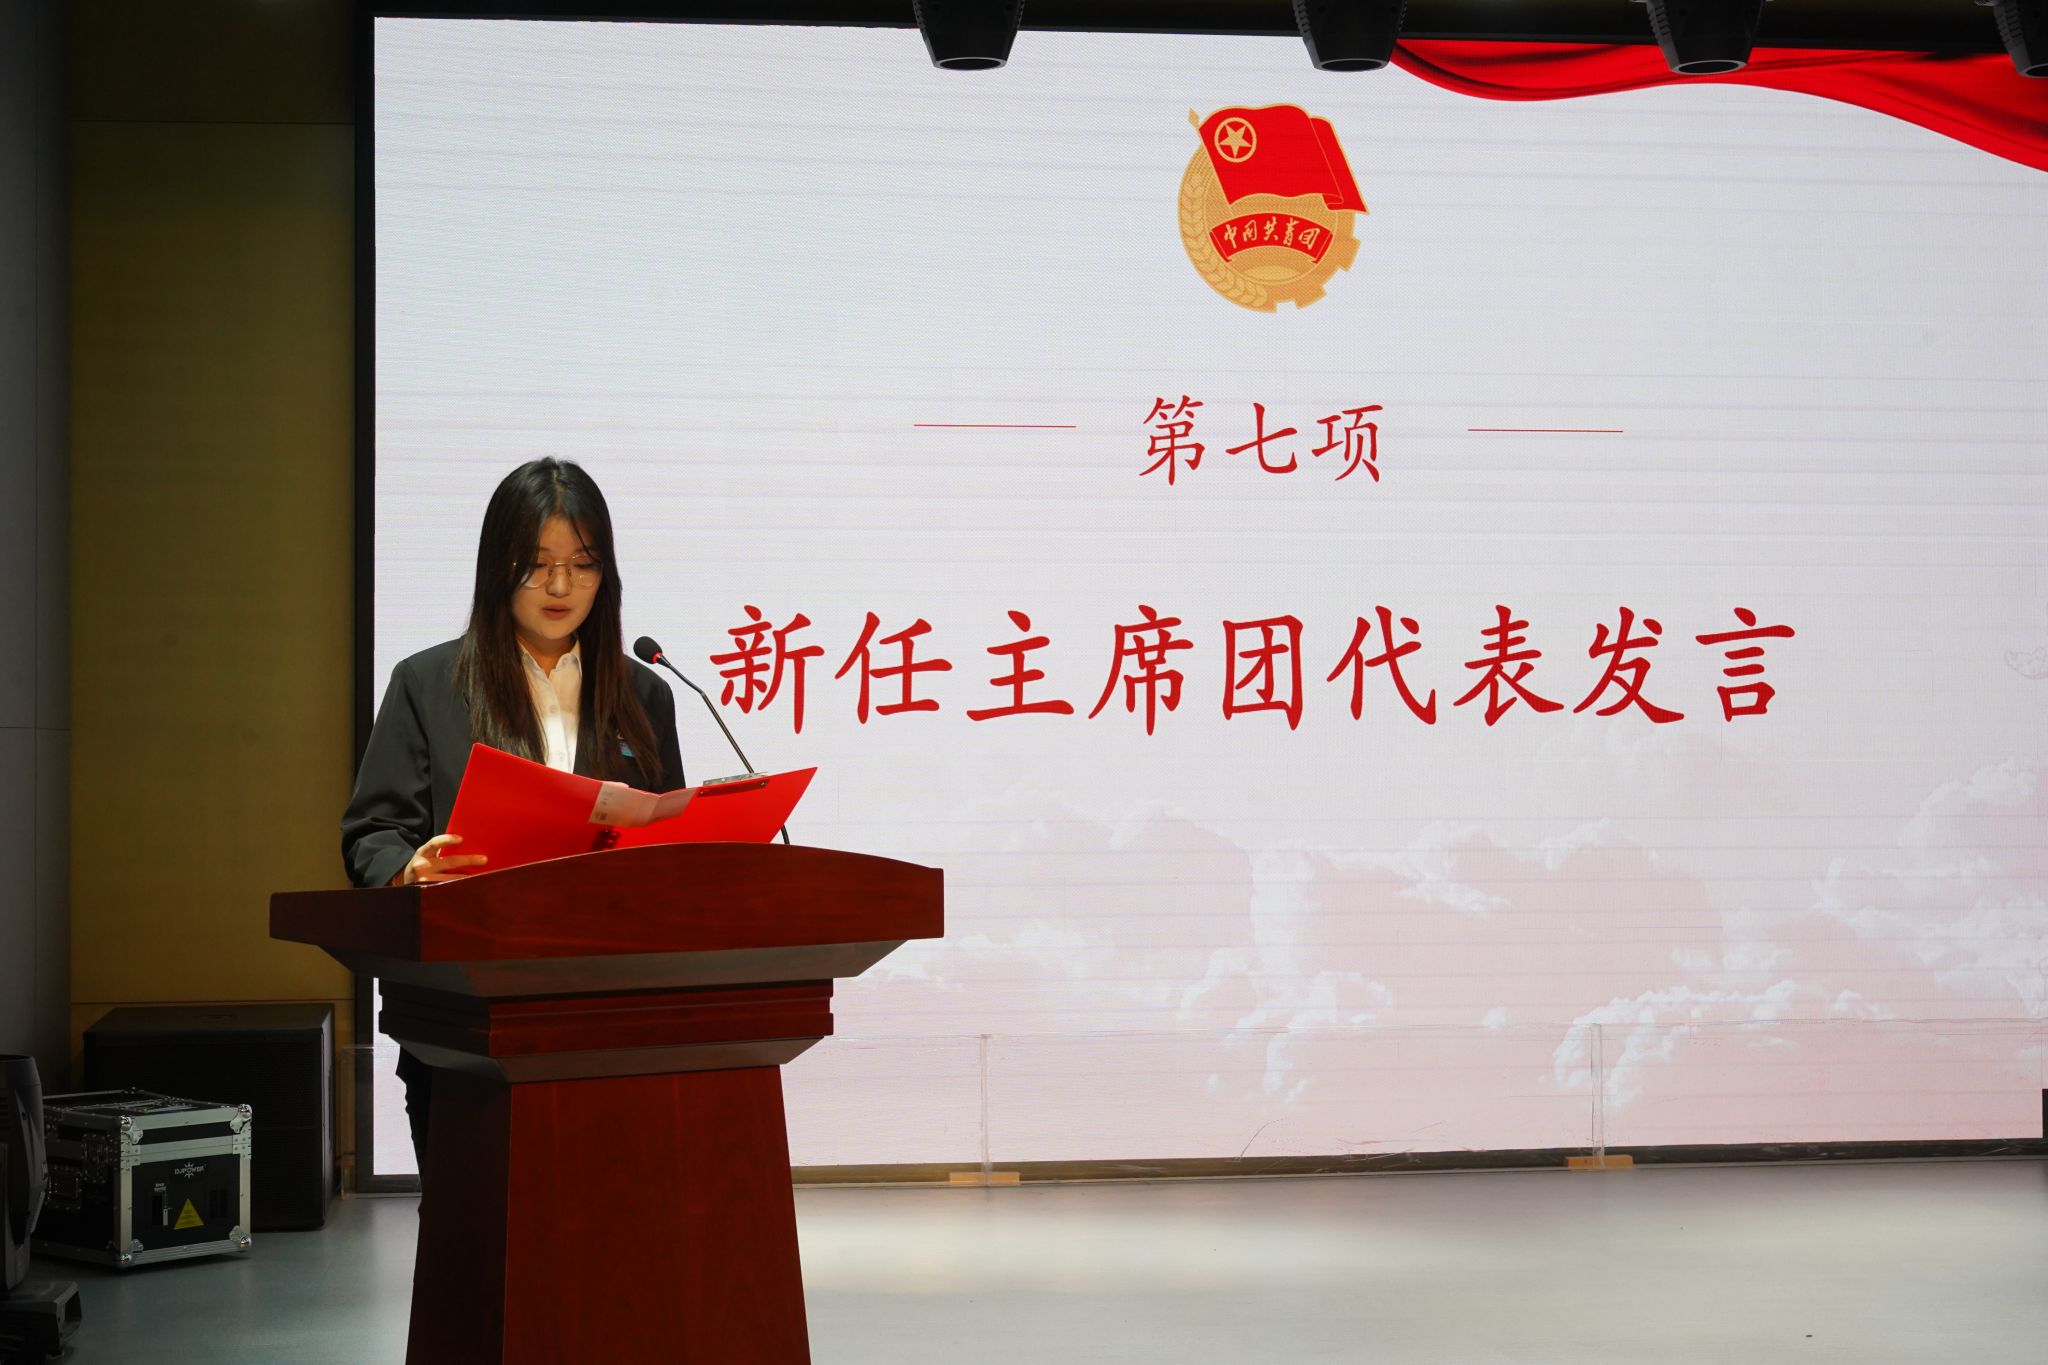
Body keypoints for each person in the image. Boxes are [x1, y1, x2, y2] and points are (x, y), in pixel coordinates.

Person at [341, 458, 685, 1179]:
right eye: (537, 564)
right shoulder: (428, 683)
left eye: (582, 565)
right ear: (498, 565)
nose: (560, 587)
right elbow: (373, 832)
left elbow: (667, 843)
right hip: (468, 1013)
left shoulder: (643, 693)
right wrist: (408, 870)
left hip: (610, 1012)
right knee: (475, 1226)